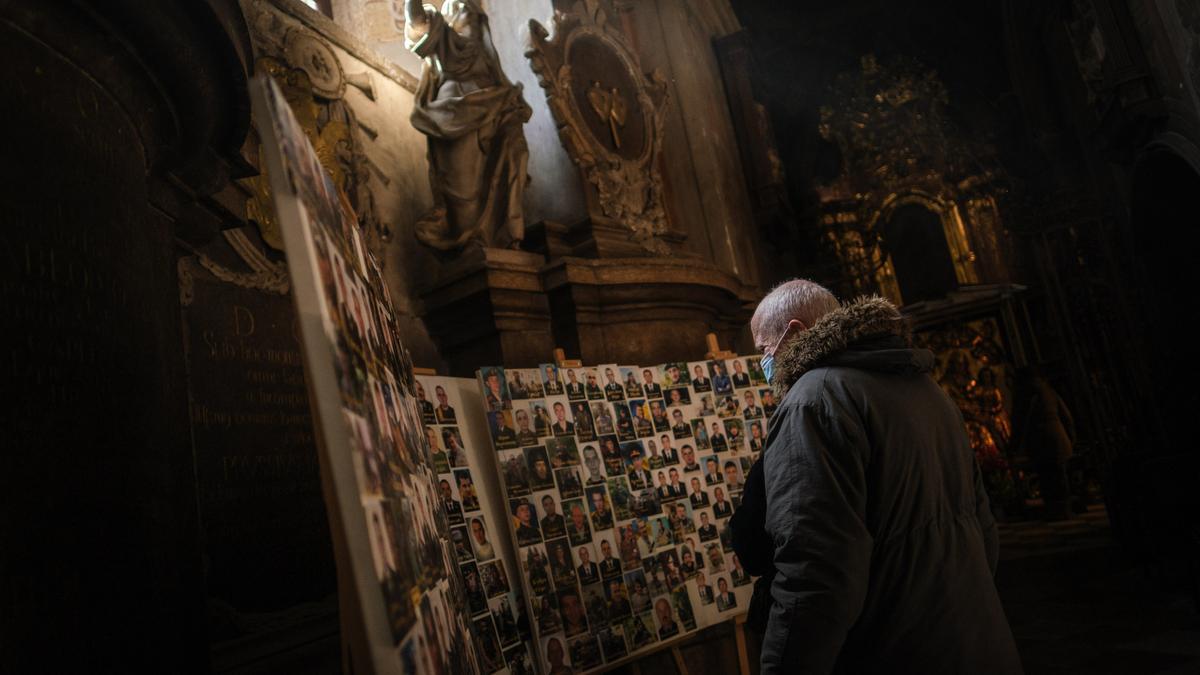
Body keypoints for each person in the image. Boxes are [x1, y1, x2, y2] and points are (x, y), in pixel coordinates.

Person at [732, 279, 1019, 674]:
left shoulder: (812, 402)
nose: (764, 362)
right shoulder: (927, 389)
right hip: (974, 638)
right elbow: (984, 528)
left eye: (764, 349)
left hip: (893, 652)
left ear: (795, 332)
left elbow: (815, 573)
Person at [1013, 367, 1076, 520]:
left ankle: (1054, 510)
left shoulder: (1023, 395)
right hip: (1057, 436)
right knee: (1060, 475)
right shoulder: (1049, 392)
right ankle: (1065, 509)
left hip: (1037, 439)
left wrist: (1014, 445)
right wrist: (1071, 438)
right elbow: (1067, 416)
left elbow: (1019, 421)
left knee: (1046, 476)